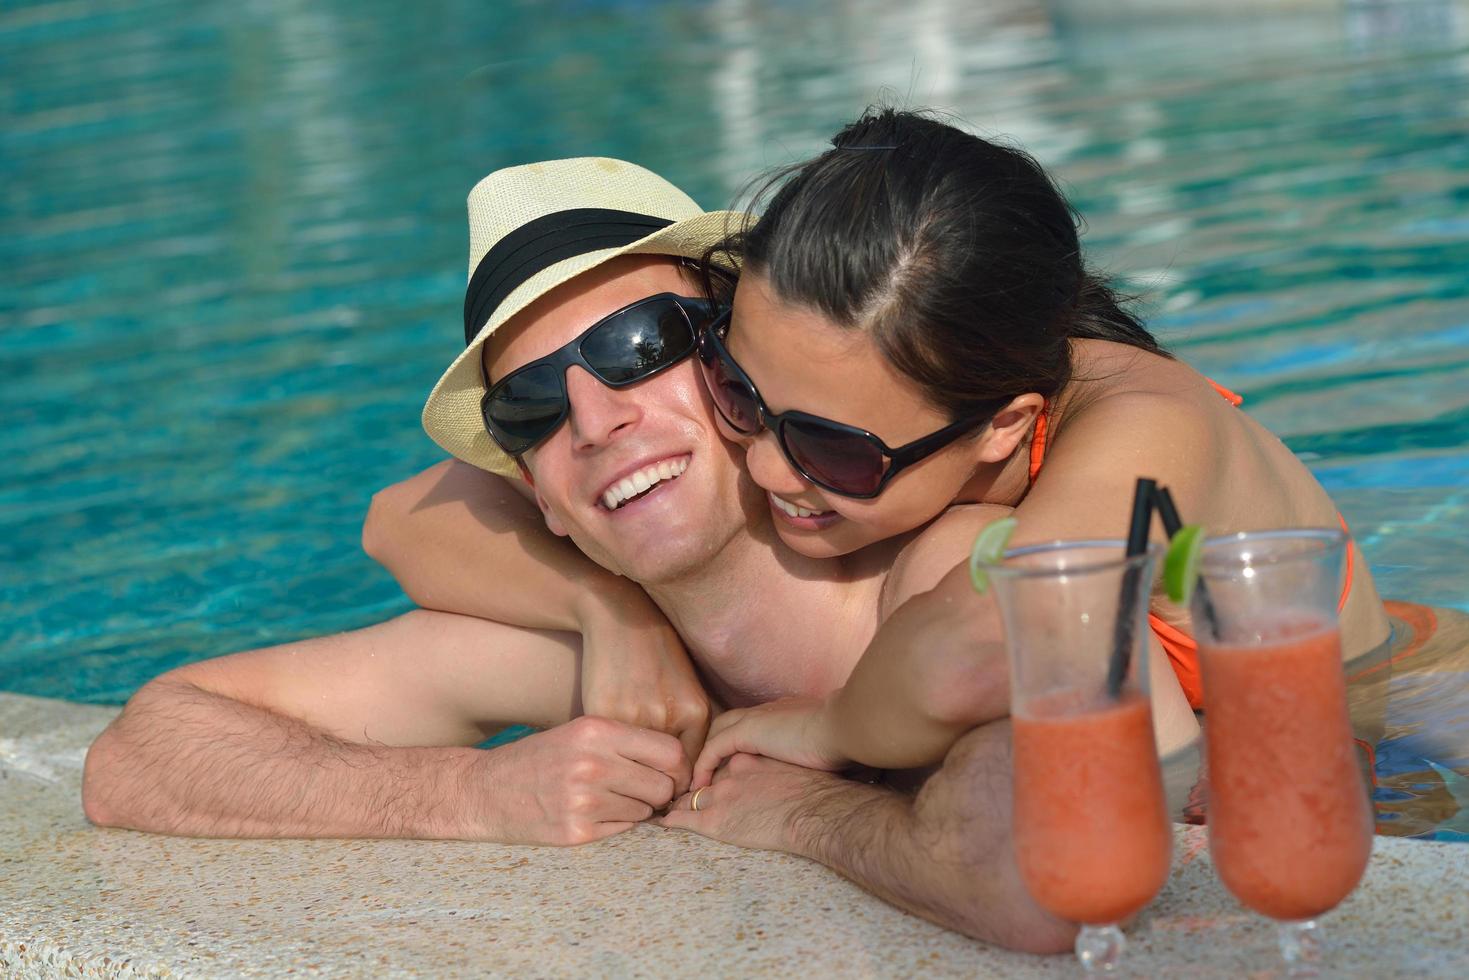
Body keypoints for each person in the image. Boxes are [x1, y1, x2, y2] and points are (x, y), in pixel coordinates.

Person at [82, 157, 1075, 953]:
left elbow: (1034, 866)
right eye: (533, 404)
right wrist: (472, 792)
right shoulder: (598, 661)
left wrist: (808, 812)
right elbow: (141, 753)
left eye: (639, 344)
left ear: (743, 361)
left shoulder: (934, 570)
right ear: (532, 493)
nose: (595, 419)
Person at [674, 108, 1394, 781]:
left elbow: (999, 638)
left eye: (831, 449)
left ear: (1006, 426)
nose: (763, 463)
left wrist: (828, 729)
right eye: (736, 389)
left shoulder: (1143, 431)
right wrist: (622, 630)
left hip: (1355, 746)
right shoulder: (905, 397)